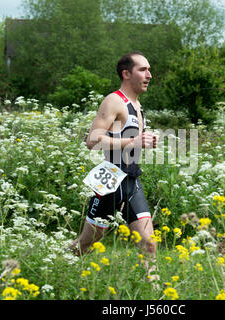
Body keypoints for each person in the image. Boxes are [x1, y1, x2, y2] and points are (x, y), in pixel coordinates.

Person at [70, 51, 160, 283]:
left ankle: (155, 293)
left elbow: (129, 142)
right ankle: (60, 268)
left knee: (148, 244)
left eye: (149, 69)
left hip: (132, 181)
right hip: (110, 181)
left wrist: (144, 141)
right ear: (126, 73)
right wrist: (134, 141)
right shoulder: (114, 100)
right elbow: (92, 140)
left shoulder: (137, 106)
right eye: (143, 69)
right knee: (85, 244)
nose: (149, 74)